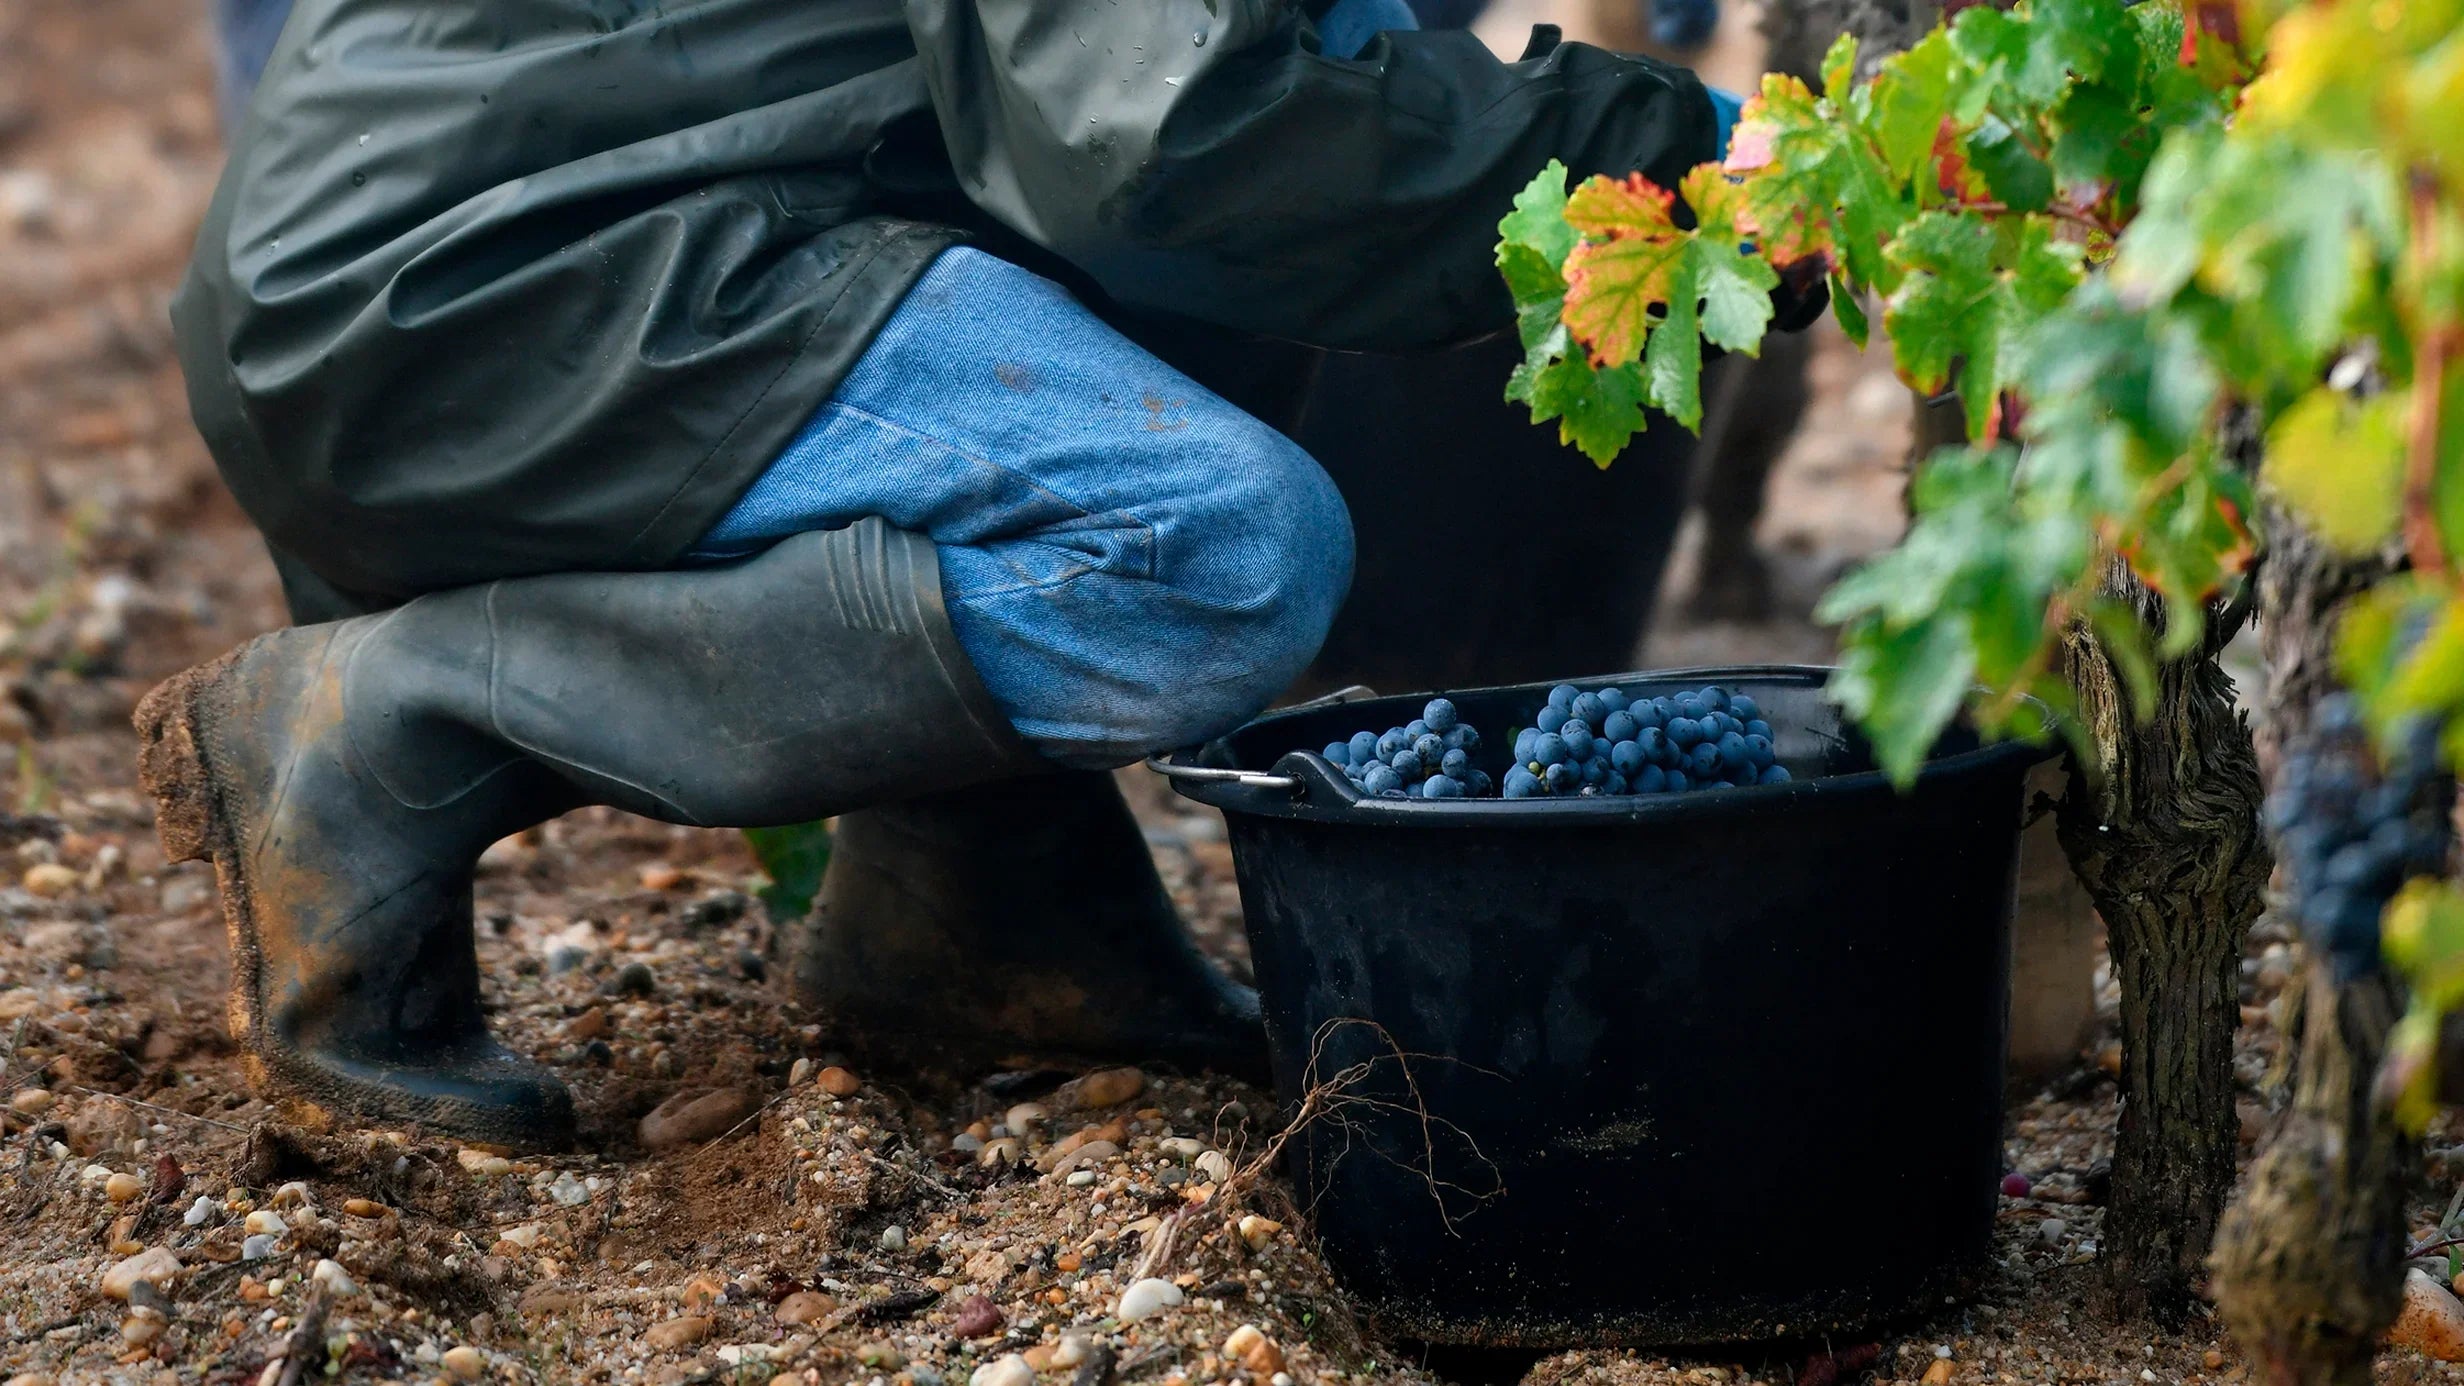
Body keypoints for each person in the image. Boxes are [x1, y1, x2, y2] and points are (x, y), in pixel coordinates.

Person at [155, 0, 1811, 1149]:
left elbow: (1265, 80)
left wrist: (1638, 150)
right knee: (1219, 552)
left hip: (552, 217)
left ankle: (983, 902)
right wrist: (1690, 159)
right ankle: (394, 729)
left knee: (1233, 239)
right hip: (471, 289)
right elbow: (1176, 135)